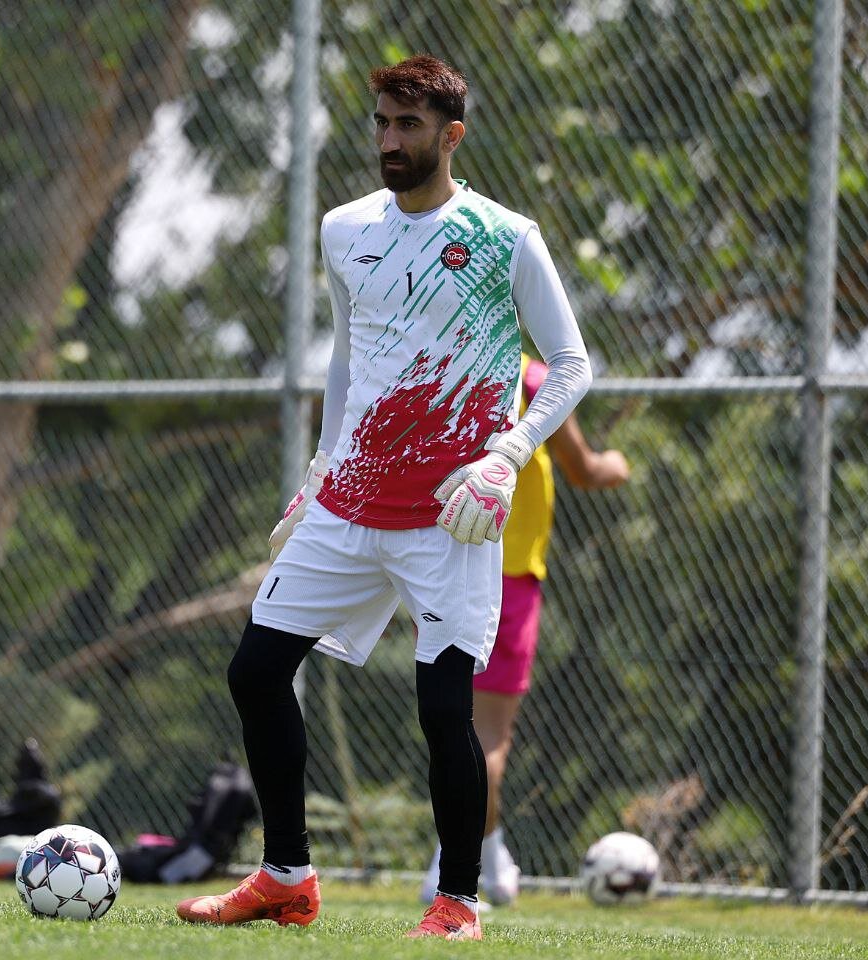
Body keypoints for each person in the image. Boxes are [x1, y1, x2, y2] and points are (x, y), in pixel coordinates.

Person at [176, 55, 592, 940]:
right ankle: (287, 877)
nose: (390, 141)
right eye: (382, 123)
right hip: (349, 503)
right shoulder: (344, 229)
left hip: (450, 517)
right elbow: (346, 354)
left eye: (409, 126)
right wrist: (322, 467)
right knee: (255, 670)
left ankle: (458, 903)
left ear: (452, 135)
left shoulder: (505, 236)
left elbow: (571, 364)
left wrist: (509, 454)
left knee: (443, 710)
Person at [420, 353, 630, 907]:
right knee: (487, 737)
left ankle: (476, 859)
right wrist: (617, 463)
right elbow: (585, 470)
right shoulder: (534, 380)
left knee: (447, 722)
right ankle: (462, 866)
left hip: (437, 568)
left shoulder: (442, 365)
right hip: (506, 580)